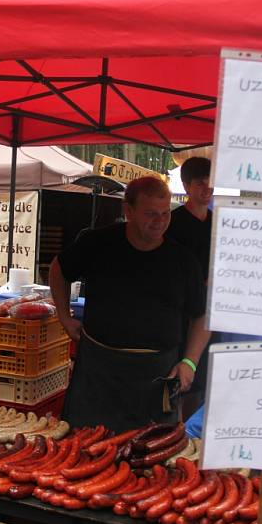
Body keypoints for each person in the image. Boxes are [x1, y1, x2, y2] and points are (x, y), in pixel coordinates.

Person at [49, 176, 212, 433]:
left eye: (165, 214)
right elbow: (59, 269)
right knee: (82, 446)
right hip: (98, 371)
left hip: (160, 373)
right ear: (128, 211)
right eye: (150, 214)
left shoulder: (183, 261)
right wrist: (64, 316)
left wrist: (190, 362)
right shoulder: (97, 243)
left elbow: (202, 316)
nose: (160, 222)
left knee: (154, 455)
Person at [164, 157, 217, 419]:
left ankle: (190, 434)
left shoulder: (219, 224)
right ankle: (170, 425)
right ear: (186, 186)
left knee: (203, 375)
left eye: (211, 184)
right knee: (176, 376)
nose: (207, 189)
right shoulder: (170, 223)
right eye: (200, 184)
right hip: (178, 314)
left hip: (210, 313)